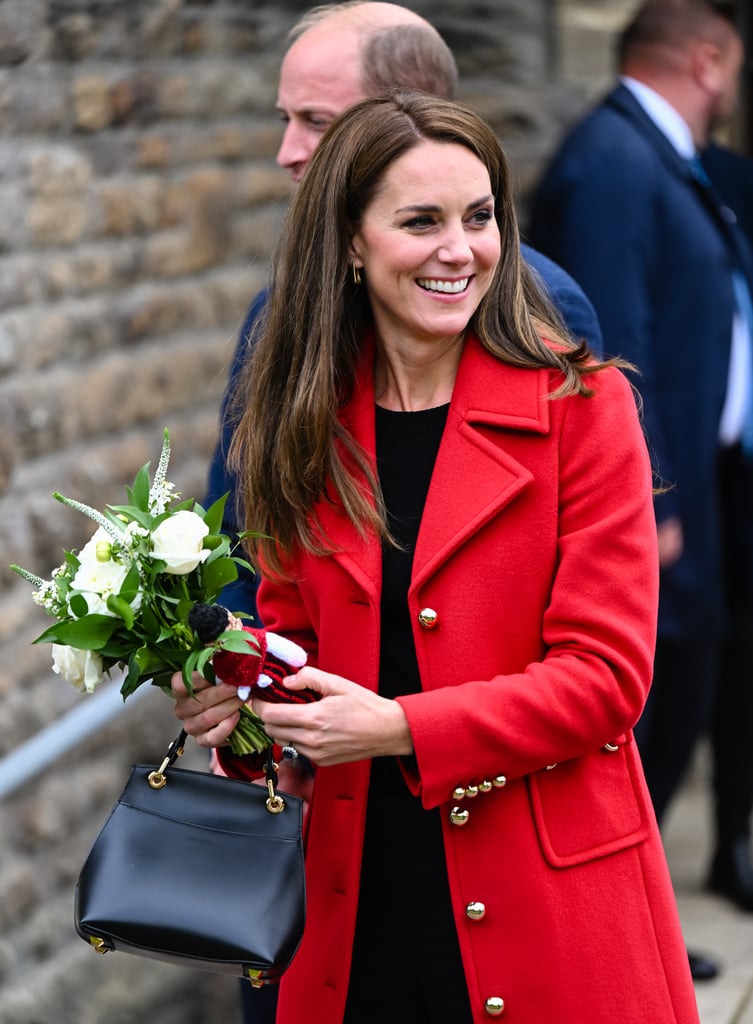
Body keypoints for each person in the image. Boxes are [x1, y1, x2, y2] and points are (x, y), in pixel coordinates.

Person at [172, 89, 700, 1024]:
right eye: (421, 222)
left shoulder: (582, 408)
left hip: (547, 901)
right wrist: (233, 700)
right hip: (351, 900)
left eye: (480, 216)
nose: (461, 251)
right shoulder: (302, 420)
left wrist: (400, 728)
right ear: (350, 243)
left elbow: (606, 678)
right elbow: (291, 645)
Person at [206, 1, 605, 621]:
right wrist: (235, 672)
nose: (289, 151)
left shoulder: (540, 306)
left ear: (408, 119)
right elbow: (241, 525)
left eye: (317, 122)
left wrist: (405, 722)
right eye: (286, 119)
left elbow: (574, 597)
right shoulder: (278, 313)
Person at [527, 0, 753, 975]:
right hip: (657, 504)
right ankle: (618, 926)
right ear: (709, 58)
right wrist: (649, 501)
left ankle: (638, 914)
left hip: (706, 485)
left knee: (693, 691)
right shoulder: (616, 161)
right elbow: (613, 340)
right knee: (647, 707)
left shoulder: (658, 156)